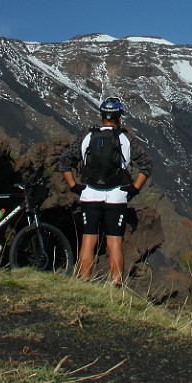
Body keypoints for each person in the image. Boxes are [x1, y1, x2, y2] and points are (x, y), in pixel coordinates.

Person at [59, 97, 153, 284]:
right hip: (116, 197)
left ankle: (83, 282)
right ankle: (116, 285)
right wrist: (134, 189)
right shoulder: (125, 139)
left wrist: (74, 186)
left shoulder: (88, 137)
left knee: (88, 241)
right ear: (119, 117)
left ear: (101, 116)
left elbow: (64, 162)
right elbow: (147, 165)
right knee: (115, 243)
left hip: (90, 195)